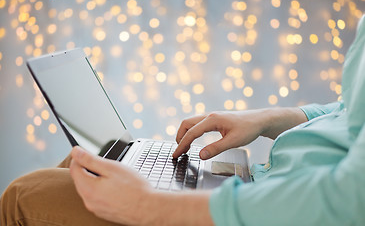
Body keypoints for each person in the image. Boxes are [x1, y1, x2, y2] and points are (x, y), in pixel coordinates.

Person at [1, 15, 365, 225]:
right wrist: (270, 118)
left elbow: (349, 202)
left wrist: (149, 204)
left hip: (271, 209)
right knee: (84, 166)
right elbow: (350, 111)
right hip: (269, 187)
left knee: (24, 194)